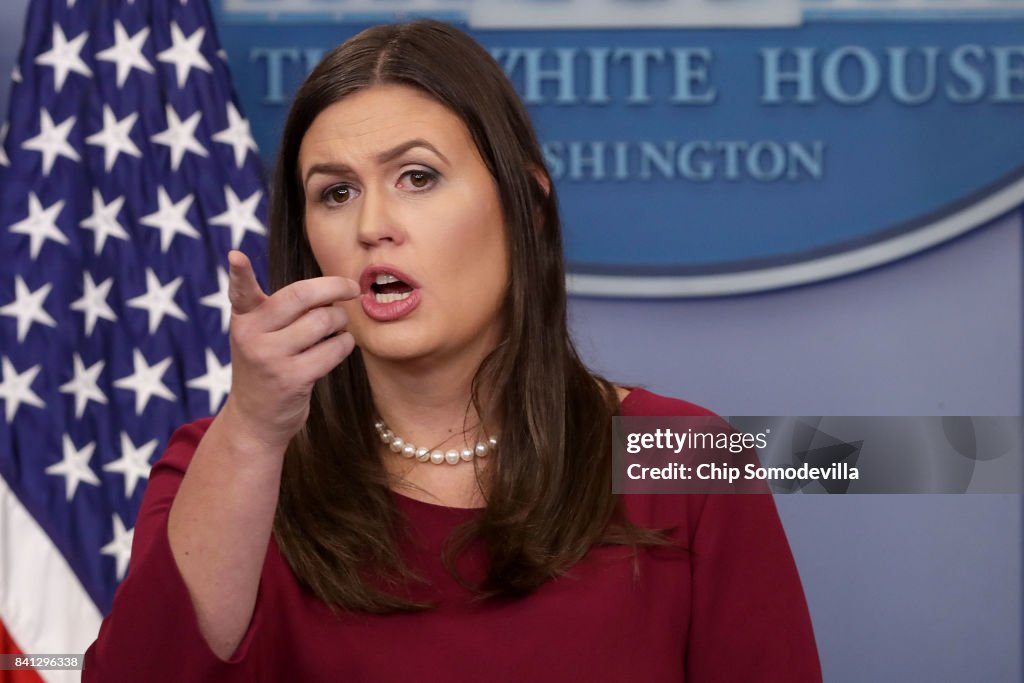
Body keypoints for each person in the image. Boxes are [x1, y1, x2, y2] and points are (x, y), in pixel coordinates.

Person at [83, 19, 821, 681]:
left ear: (528, 210)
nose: (373, 224)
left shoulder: (683, 459)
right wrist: (250, 433)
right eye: (335, 193)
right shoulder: (227, 461)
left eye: (417, 177)